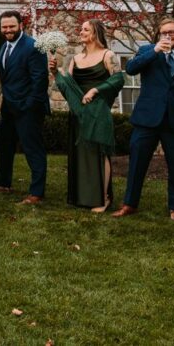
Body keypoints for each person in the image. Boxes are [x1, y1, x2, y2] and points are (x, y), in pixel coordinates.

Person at [113, 18, 174, 221]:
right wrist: (155, 51)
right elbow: (131, 69)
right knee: (137, 164)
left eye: (172, 32)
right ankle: (129, 204)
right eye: (164, 33)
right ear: (158, 35)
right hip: (147, 119)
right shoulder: (147, 51)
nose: (168, 36)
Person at [51, 19, 124, 212]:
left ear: (95, 33)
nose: (81, 32)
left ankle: (104, 198)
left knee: (100, 153)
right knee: (82, 154)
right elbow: (69, 87)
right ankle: (83, 196)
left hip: (98, 111)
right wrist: (55, 73)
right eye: (81, 29)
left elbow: (118, 79)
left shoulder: (108, 55)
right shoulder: (75, 59)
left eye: (85, 29)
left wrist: (95, 91)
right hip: (79, 113)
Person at [0, 10, 49, 205]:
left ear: (21, 25)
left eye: (11, 26)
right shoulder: (4, 46)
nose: (8, 30)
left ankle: (36, 193)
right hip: (9, 107)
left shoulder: (33, 46)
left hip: (28, 108)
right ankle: (2, 183)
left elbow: (40, 80)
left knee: (33, 149)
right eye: (4, 27)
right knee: (4, 142)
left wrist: (29, 105)